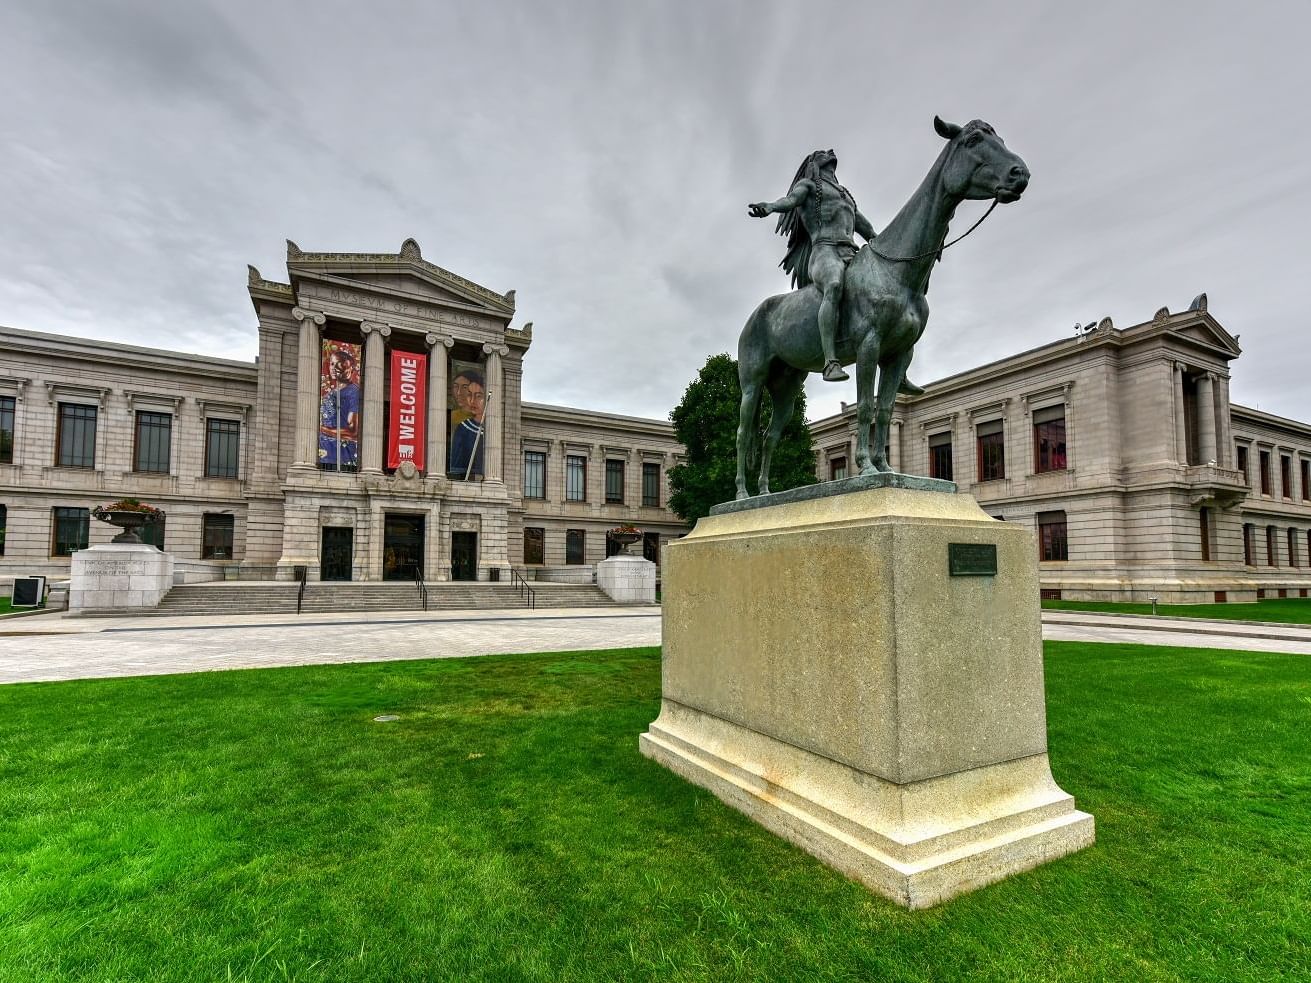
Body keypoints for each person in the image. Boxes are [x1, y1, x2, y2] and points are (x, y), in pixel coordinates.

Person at [749, 150, 924, 394]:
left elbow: (867, 229)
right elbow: (789, 201)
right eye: (822, 152)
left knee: (887, 293)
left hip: (851, 252)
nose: (829, 152)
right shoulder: (808, 186)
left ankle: (898, 373)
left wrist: (897, 254)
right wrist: (770, 207)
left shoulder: (846, 196)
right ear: (813, 163)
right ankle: (830, 361)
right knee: (833, 285)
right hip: (824, 253)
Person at [318, 344, 360, 469]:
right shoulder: (331, 392)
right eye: (331, 364)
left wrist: (322, 429)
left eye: (340, 363)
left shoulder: (353, 392)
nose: (334, 368)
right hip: (326, 452)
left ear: (350, 368)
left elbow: (353, 433)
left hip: (342, 454)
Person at [448, 370, 486, 478]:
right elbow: (457, 462)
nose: (472, 401)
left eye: (478, 396)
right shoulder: (463, 428)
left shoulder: (491, 430)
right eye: (470, 395)